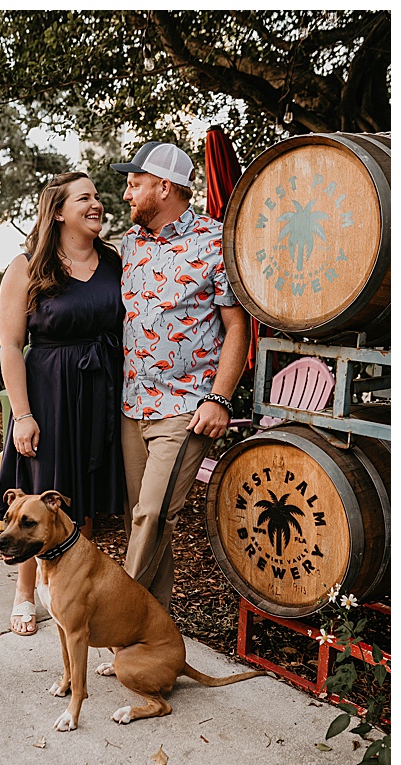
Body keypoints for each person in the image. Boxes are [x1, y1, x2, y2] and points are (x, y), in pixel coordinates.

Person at [112, 142, 249, 609]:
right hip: (133, 408)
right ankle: (155, 634)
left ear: (163, 187)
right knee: (148, 524)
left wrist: (220, 399)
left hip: (187, 410)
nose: (127, 194)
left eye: (134, 184)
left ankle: (114, 617)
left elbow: (237, 328)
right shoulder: (129, 246)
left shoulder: (215, 243)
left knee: (152, 516)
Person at [0, 173, 126, 636]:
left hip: (100, 390)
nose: (97, 204)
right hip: (48, 391)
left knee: (82, 498)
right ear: (59, 211)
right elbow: (10, 345)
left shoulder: (112, 261)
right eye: (84, 198)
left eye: (96, 197)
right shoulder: (27, 267)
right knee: (39, 490)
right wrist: (23, 415)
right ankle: (25, 594)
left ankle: (73, 592)